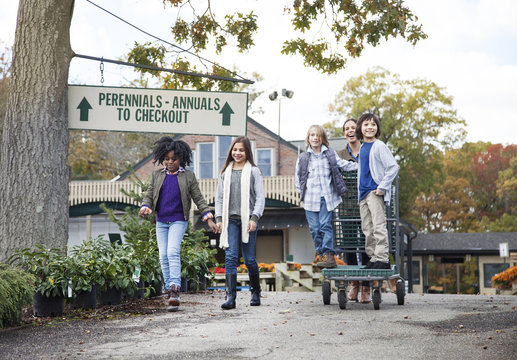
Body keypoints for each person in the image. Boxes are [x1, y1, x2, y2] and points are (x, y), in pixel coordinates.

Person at [139, 136, 217, 312]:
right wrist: (145, 207)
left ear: (181, 158)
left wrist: (209, 219)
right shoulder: (156, 176)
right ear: (162, 159)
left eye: (174, 159)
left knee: (172, 252)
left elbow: (199, 198)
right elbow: (149, 196)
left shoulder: (188, 176)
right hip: (161, 221)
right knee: (163, 257)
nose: (170, 162)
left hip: (178, 221)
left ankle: (175, 289)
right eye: (167, 159)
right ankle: (169, 291)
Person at [295, 124, 358, 269]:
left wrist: (361, 166)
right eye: (312, 135)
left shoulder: (329, 154)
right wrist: (302, 194)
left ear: (323, 138)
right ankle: (322, 254)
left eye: (318, 135)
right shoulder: (303, 157)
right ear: (308, 138)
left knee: (325, 226)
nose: (315, 138)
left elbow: (343, 165)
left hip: (326, 197)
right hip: (310, 200)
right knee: (315, 229)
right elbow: (298, 179)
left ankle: (329, 255)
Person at [214, 136, 265, 310]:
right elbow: (219, 199)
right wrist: (219, 219)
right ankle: (230, 297)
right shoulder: (224, 173)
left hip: (248, 221)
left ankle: (255, 291)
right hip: (230, 221)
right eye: (235, 150)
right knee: (230, 257)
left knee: (249, 259)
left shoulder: (254, 171)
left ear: (247, 152)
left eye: (241, 150)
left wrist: (254, 218)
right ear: (231, 151)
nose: (237, 153)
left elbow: (260, 198)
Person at [355, 113, 399, 271]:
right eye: (366, 124)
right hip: (363, 194)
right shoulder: (362, 146)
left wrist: (382, 187)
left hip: (374, 192)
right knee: (367, 228)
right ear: (360, 127)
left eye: (373, 124)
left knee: (379, 226)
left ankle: (382, 258)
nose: (369, 127)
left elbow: (393, 167)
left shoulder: (379, 146)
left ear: (377, 128)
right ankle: (373, 258)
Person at [337, 118, 372, 303]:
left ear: (358, 130)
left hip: (367, 204)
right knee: (349, 245)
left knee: (367, 243)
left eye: (352, 128)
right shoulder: (340, 154)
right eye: (346, 129)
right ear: (344, 133)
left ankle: (366, 285)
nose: (350, 131)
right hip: (347, 206)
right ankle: (354, 284)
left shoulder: (368, 150)